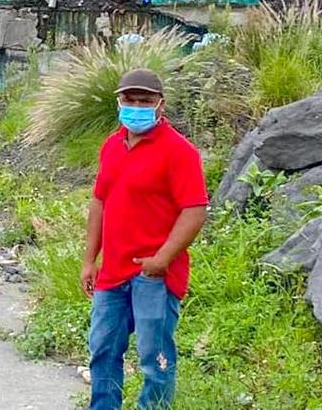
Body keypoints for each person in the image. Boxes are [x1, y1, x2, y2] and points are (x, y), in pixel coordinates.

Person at [82, 68, 208, 409]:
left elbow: (195, 210)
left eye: (145, 101)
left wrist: (162, 259)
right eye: (130, 99)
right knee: (103, 351)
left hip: (154, 275)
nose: (136, 106)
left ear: (160, 105)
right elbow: (99, 202)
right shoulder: (112, 145)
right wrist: (90, 260)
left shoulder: (179, 151)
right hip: (112, 273)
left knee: (155, 359)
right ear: (119, 102)